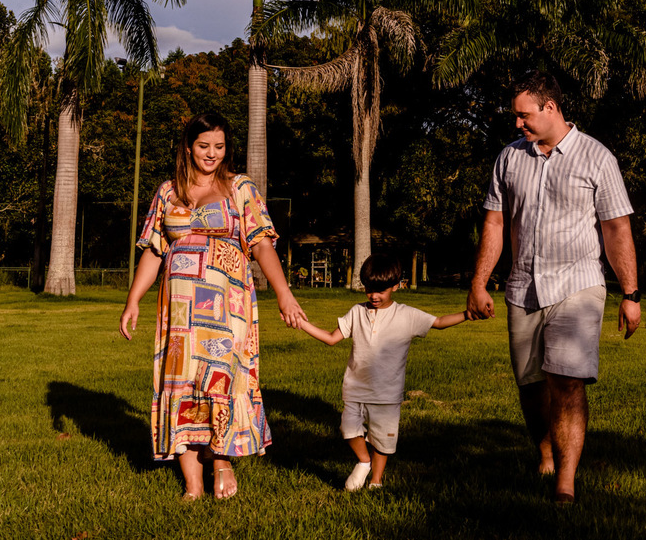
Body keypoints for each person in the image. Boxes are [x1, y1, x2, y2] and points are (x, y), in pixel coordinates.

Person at [465, 71, 641, 503]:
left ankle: (566, 481)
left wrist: (630, 294)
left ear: (551, 107)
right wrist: (479, 282)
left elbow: (616, 228)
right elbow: (494, 221)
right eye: (516, 117)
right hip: (522, 287)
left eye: (524, 116)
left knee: (566, 380)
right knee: (530, 385)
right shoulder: (510, 158)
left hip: (577, 285)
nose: (518, 124)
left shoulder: (597, 157)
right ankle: (545, 453)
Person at [119, 112, 306, 500]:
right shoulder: (168, 192)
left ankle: (221, 461)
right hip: (180, 312)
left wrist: (283, 292)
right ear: (189, 146)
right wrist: (133, 300)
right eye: (204, 146)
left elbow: (261, 244)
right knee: (180, 381)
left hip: (226, 307)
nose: (212, 154)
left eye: (219, 147)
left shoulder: (240, 188)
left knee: (221, 377)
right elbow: (155, 250)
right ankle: (191, 482)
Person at [295, 253, 466, 490]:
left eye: (380, 290)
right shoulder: (357, 312)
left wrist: (468, 314)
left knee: (381, 440)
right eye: (368, 290)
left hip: (387, 393)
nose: (373, 296)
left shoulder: (407, 315)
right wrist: (300, 322)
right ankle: (363, 462)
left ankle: (376, 481)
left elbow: (438, 322)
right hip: (355, 388)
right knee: (348, 429)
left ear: (396, 286)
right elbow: (332, 339)